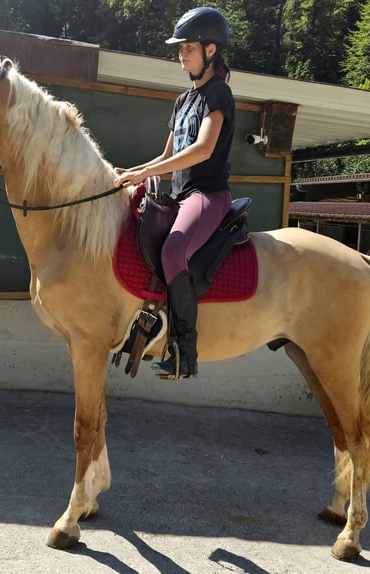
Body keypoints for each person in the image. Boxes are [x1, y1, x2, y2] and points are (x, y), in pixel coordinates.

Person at [114, 6, 235, 379]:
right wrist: (132, 173)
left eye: (188, 47)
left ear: (210, 49)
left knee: (173, 249)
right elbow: (168, 155)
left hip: (207, 196)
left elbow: (201, 150)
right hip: (180, 197)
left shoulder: (219, 94)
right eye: (179, 47)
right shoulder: (183, 101)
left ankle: (186, 352)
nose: (181, 52)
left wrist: (146, 173)